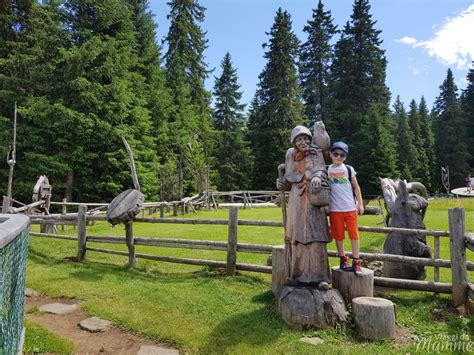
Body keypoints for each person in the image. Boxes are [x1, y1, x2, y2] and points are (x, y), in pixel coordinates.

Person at [276, 125, 331, 290]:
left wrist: (316, 177)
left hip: (313, 197)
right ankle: (296, 275)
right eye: (299, 139)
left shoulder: (316, 152)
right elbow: (288, 176)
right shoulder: (290, 154)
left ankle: (320, 277)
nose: (303, 141)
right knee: (297, 236)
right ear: (294, 142)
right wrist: (282, 183)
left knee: (316, 235)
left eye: (306, 138)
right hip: (296, 198)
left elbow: (321, 170)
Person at [327, 142, 364, 274]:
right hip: (335, 209)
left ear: (345, 157)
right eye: (336, 153)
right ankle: (343, 258)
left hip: (349, 207)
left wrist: (360, 204)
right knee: (338, 235)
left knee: (354, 234)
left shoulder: (348, 169)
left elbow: (356, 187)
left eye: (342, 154)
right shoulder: (327, 170)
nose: (338, 156)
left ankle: (356, 260)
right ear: (330, 154)